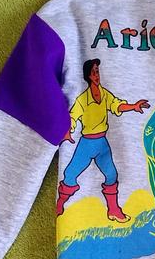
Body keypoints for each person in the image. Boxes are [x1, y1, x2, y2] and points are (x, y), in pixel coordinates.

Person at [56, 58, 149, 220]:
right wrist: (67, 131)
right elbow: (73, 116)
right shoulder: (83, 99)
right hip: (86, 144)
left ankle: (113, 210)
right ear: (88, 76)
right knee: (70, 174)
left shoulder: (104, 94)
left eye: (97, 71)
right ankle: (61, 204)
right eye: (93, 72)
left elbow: (116, 105)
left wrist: (134, 106)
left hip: (102, 143)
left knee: (111, 175)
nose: (97, 75)